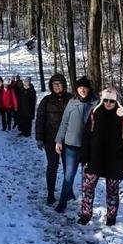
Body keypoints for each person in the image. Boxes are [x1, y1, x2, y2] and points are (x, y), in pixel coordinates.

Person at [78, 87, 123, 226]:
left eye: (112, 101)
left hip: (115, 160)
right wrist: (84, 155)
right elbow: (86, 136)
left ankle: (111, 217)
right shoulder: (95, 113)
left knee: (112, 191)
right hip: (95, 158)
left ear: (117, 102)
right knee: (87, 188)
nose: (108, 103)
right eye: (106, 100)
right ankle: (85, 214)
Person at [54, 77, 95, 213]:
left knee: (87, 178)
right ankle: (62, 202)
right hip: (71, 145)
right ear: (77, 89)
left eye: (85, 87)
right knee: (69, 174)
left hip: (88, 147)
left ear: (89, 89)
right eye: (80, 87)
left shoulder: (95, 104)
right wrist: (59, 140)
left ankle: (86, 207)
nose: (82, 90)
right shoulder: (72, 103)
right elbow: (64, 123)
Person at [35, 73, 72, 204]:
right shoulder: (46, 100)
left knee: (69, 168)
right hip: (50, 138)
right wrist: (39, 138)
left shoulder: (71, 99)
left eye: (59, 83)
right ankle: (50, 193)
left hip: (69, 138)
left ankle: (67, 192)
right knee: (52, 166)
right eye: (54, 84)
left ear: (64, 84)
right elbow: (40, 119)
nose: (56, 86)